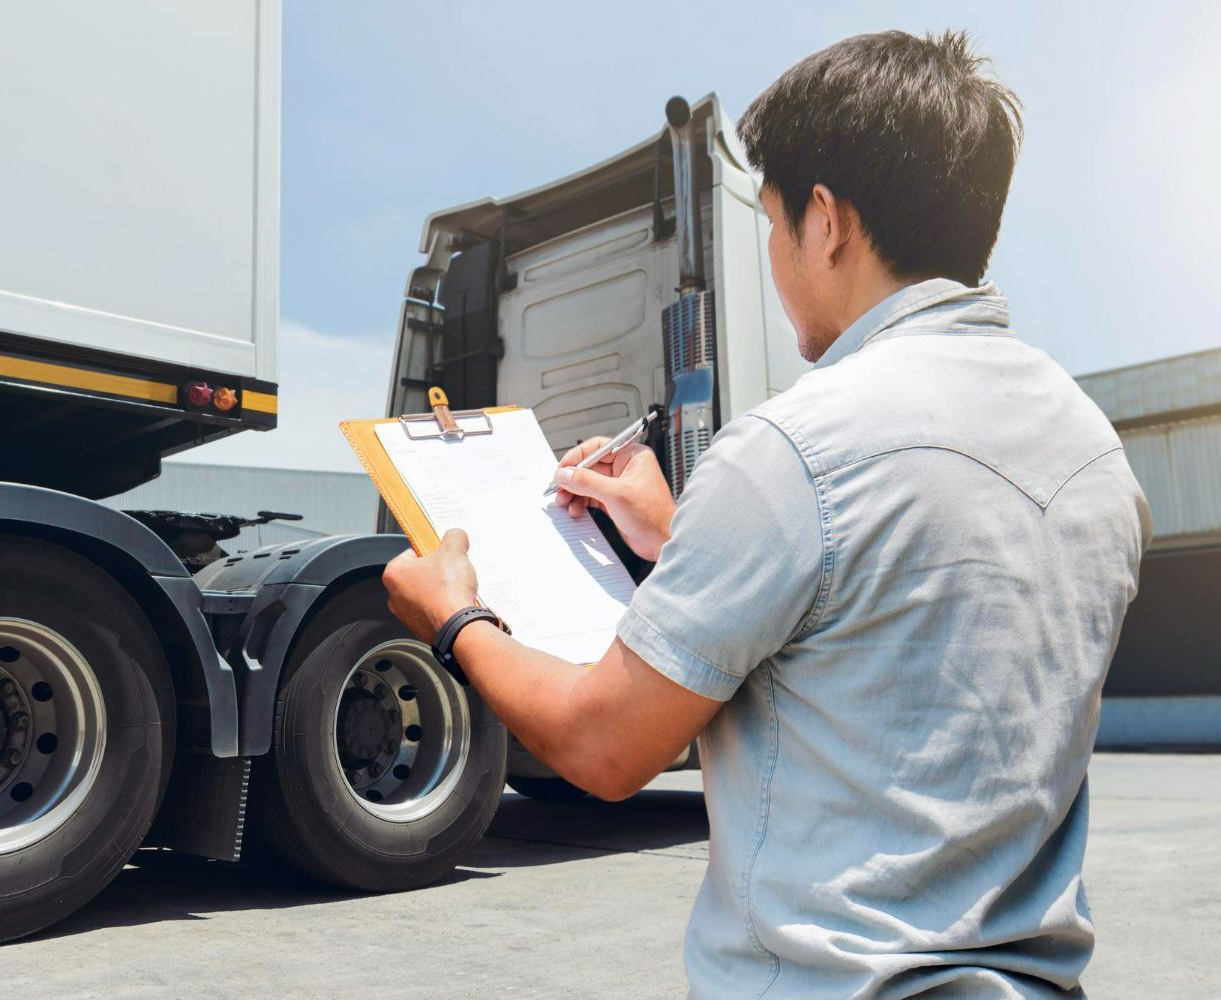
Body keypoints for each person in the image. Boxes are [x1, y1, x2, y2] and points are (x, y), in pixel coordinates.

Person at [382, 29, 1150, 999]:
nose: (780, 252)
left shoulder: (799, 449)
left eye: (777, 224)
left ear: (827, 222)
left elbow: (603, 744)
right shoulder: (1091, 452)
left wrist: (457, 618)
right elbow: (895, 630)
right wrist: (683, 535)